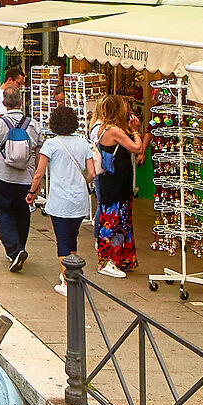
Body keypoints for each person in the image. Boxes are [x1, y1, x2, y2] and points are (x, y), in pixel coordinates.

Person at [31, 105, 99, 295]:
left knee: (62, 240)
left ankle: (68, 284)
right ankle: (71, 274)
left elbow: (39, 173)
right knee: (72, 239)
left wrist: (32, 191)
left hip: (60, 200)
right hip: (79, 200)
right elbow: (92, 173)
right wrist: (81, 182)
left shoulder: (50, 145)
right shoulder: (83, 143)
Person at [0, 88, 45, 273]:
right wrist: (37, 179)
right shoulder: (33, 125)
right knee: (22, 213)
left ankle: (15, 249)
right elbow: (38, 153)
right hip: (26, 179)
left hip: (3, 177)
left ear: (5, 103)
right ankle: (19, 247)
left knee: (2, 213)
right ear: (21, 102)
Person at [92, 93, 148, 278]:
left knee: (119, 220)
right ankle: (106, 260)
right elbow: (137, 148)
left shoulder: (102, 128)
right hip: (115, 183)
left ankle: (117, 258)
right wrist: (135, 130)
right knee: (112, 220)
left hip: (115, 180)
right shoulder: (114, 131)